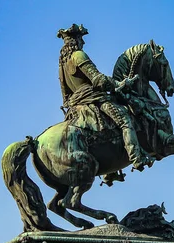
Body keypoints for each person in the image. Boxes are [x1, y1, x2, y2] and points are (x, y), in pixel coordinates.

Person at [56, 24, 152, 171]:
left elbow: (65, 95)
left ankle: (110, 173)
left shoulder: (62, 65)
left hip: (75, 106)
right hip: (94, 100)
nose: (84, 42)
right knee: (125, 119)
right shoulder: (78, 55)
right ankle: (136, 158)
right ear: (76, 40)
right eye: (81, 39)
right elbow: (98, 80)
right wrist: (119, 83)